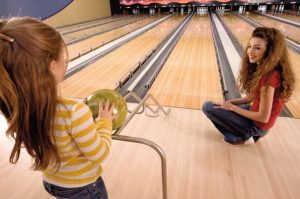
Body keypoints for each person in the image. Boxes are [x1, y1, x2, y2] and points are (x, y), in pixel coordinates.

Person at [0, 17, 114, 198]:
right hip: (82, 187)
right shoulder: (75, 111)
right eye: (64, 56)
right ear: (52, 67)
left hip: (52, 182)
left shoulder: (20, 108)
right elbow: (99, 154)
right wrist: (104, 123)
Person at [202, 27, 295, 145]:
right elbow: (251, 98)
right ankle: (239, 135)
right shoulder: (264, 69)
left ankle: (245, 136)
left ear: (270, 51)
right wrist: (228, 103)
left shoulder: (269, 78)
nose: (250, 51)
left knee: (207, 107)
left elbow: (263, 118)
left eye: (257, 48)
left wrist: (233, 108)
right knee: (216, 106)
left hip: (257, 126)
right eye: (250, 46)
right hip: (254, 113)